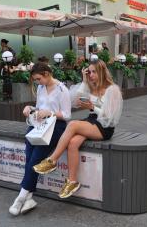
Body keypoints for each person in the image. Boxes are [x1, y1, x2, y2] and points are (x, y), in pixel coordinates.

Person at [33, 60, 123, 199]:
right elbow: (74, 101)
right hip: (92, 121)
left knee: (73, 124)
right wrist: (84, 81)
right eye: (89, 72)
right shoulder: (91, 86)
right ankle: (72, 181)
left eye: (94, 72)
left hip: (104, 127)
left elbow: (110, 117)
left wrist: (92, 107)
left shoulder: (113, 89)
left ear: (101, 72)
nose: (91, 75)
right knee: (73, 143)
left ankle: (52, 161)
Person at [9, 62, 71, 216]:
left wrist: (49, 113)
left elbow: (67, 115)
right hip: (38, 126)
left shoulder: (62, 89)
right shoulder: (41, 88)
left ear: (47, 74)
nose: (37, 82)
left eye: (38, 79)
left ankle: (21, 196)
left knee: (35, 159)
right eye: (36, 80)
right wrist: (30, 108)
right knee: (30, 159)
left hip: (55, 127)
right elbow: (39, 108)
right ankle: (29, 197)